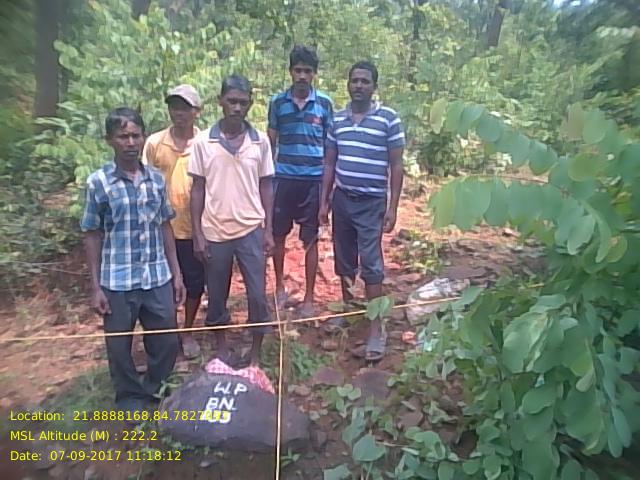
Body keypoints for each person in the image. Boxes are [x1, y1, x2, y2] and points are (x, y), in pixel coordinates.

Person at [81, 107, 186, 414]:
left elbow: (165, 225)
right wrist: (95, 287)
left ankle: (157, 388)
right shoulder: (99, 182)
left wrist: (176, 273)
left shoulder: (156, 180)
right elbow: (92, 233)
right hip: (117, 280)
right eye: (122, 136)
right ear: (109, 140)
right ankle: (129, 397)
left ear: (143, 137)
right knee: (118, 346)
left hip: (156, 275)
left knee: (166, 339)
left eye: (135, 135)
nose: (130, 142)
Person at [318, 61, 405, 362]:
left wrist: (393, 207)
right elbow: (330, 162)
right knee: (343, 258)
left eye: (365, 81)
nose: (358, 86)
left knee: (371, 263)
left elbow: (396, 165)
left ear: (374, 86)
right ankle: (347, 309)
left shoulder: (388, 119)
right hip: (342, 199)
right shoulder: (338, 120)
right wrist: (324, 201)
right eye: (354, 80)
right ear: (348, 84)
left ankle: (376, 328)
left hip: (371, 202)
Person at [189, 74, 275, 367]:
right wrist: (198, 233)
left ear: (250, 103)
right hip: (215, 230)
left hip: (251, 229)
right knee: (216, 294)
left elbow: (266, 185)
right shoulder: (203, 142)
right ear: (220, 102)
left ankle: (255, 351)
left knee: (258, 295)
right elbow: (197, 188)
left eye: (242, 102)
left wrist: (269, 230)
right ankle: (222, 347)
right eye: (231, 101)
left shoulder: (260, 141)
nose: (237, 108)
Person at [267, 45, 333, 317]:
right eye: (298, 70)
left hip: (313, 181)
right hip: (283, 179)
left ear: (314, 73)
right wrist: (266, 181)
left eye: (307, 71)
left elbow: (330, 147)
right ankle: (279, 288)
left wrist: (328, 191)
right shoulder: (278, 103)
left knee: (311, 239)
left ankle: (309, 298)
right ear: (290, 72)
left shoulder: (325, 104)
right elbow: (270, 143)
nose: (302, 76)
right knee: (278, 236)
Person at [142, 84, 204, 359]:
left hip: (194, 230)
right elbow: (142, 182)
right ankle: (167, 334)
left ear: (197, 111)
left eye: (185, 108)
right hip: (160, 231)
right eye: (174, 107)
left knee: (195, 284)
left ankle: (187, 332)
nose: (179, 113)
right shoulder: (155, 143)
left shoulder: (205, 143)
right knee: (162, 287)